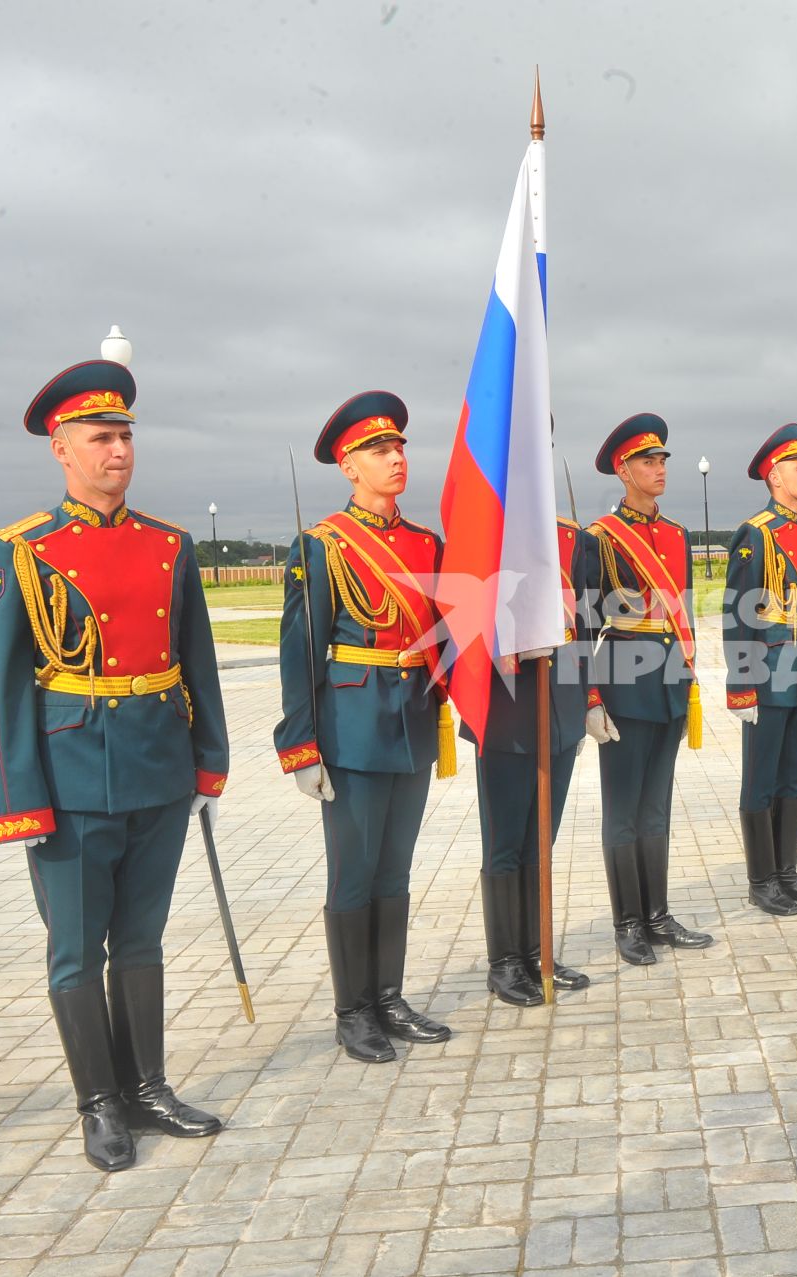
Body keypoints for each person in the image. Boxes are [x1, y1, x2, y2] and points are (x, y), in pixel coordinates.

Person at [0, 358, 228, 1172]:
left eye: (125, 435)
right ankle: (99, 1101)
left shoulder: (169, 544)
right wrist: (20, 799)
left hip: (158, 768)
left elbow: (198, 661)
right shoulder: (20, 551)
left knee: (144, 941)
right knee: (78, 950)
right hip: (72, 775)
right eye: (100, 437)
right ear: (62, 448)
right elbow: (3, 686)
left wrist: (208, 762)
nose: (118, 450)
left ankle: (148, 1086)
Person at [275, 392, 452, 1062]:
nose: (397, 458)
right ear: (348, 465)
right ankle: (354, 1011)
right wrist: (300, 745)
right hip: (351, 730)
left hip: (410, 721)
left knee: (396, 871)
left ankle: (389, 994)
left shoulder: (425, 542)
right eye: (380, 450)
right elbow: (301, 654)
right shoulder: (321, 546)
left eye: (400, 446)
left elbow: (443, 633)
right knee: (353, 875)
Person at [581, 413, 715, 965]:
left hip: (668, 677)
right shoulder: (597, 540)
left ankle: (657, 914)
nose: (658, 469)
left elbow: (678, 609)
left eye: (662, 460)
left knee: (657, 806)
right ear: (623, 470)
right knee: (624, 809)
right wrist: (588, 697)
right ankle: (628, 922)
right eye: (646, 461)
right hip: (623, 676)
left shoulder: (678, 534)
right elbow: (584, 624)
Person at [468, 511, 595, 1006]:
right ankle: (504, 963)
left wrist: (587, 698)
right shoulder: (485, 526)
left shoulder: (569, 535)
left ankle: (537, 950)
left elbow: (584, 625)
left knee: (541, 840)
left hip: (556, 704)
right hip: (504, 704)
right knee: (505, 843)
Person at [725, 423, 797, 914]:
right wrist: (742, 685)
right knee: (761, 778)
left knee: (794, 775)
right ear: (775, 477)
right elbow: (738, 615)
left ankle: (788, 872)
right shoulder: (756, 534)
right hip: (770, 669)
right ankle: (761, 880)